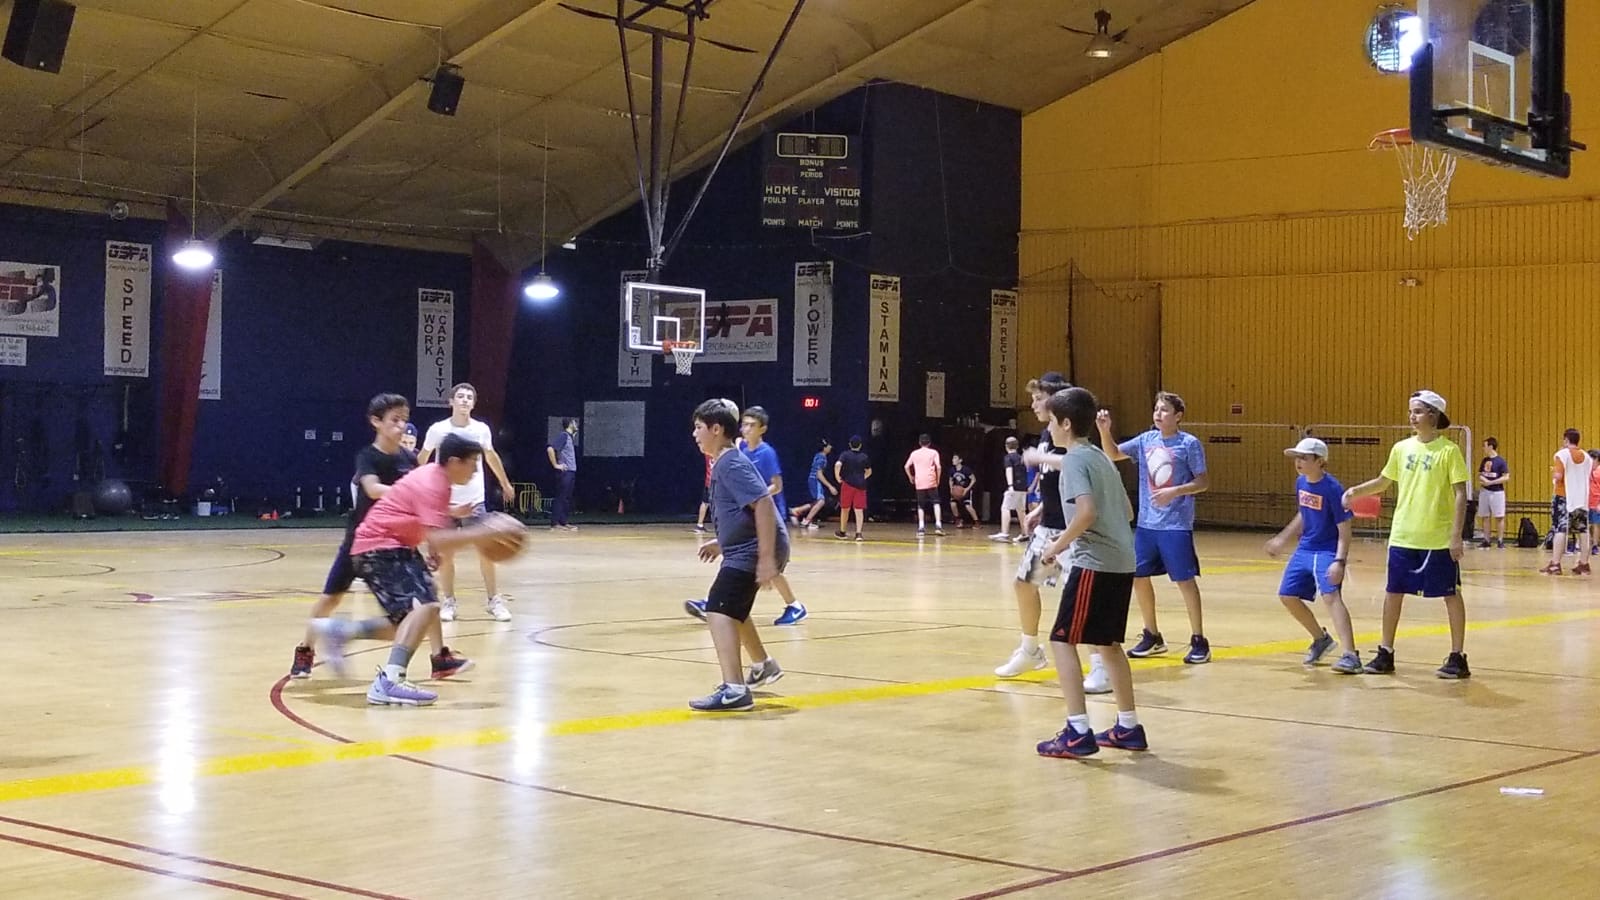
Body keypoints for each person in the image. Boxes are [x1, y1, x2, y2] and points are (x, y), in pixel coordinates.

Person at [317, 434, 523, 706]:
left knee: (411, 621)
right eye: (473, 463)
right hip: (378, 546)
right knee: (425, 608)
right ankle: (389, 680)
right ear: (454, 462)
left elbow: (433, 527)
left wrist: (435, 551)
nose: (476, 471)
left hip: (395, 545)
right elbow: (439, 536)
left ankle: (344, 632)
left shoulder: (440, 481)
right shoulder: (432, 482)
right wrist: (483, 533)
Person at [290, 394, 470, 681]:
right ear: (376, 422)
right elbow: (373, 490)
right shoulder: (369, 456)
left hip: (397, 540)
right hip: (364, 542)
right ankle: (306, 649)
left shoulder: (409, 460)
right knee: (330, 599)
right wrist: (408, 495)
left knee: (427, 596)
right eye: (394, 420)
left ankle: (440, 657)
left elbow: (423, 503)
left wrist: (441, 521)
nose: (401, 426)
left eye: (404, 421)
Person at [1033, 387, 1146, 758]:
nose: (1049, 427)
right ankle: (1128, 726)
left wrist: (1056, 546)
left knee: (1061, 639)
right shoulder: (1099, 457)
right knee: (1107, 643)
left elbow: (1086, 513)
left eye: (1052, 421)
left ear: (1065, 423)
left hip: (1095, 563)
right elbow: (1127, 511)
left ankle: (1078, 731)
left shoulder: (1076, 461)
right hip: (1122, 561)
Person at [1342, 390, 1470, 678]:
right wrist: (1355, 491)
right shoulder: (1401, 448)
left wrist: (1456, 535)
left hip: (1437, 538)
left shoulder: (1449, 451)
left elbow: (1461, 494)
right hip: (1403, 535)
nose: (1412, 416)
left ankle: (1457, 656)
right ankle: (1385, 652)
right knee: (1393, 592)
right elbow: (1383, 481)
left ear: (1434, 415)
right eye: (1411, 411)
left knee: (1450, 594)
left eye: (1418, 411)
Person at [1000, 373, 1109, 696]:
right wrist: (1041, 509)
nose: (1033, 405)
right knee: (1023, 584)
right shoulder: (1048, 433)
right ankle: (1030, 649)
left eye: (1038, 398)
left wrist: (1040, 457)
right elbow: (1054, 480)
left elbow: (1077, 462)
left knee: (1079, 599)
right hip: (1049, 526)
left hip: (1075, 532)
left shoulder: (1069, 432)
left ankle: (1100, 665)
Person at [686, 399, 787, 711]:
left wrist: (766, 558)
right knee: (734, 609)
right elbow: (741, 512)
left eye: (699, 427)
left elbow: (764, 504)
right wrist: (722, 542)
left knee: (718, 609)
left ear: (716, 429)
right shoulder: (725, 461)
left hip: (752, 551)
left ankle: (734, 690)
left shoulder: (731, 463)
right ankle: (763, 666)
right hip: (745, 548)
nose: (694, 434)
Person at [1097, 392, 1213, 665]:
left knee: (1184, 581)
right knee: (1138, 577)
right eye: (1156, 409)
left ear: (1178, 416)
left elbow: (1203, 482)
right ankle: (1152, 635)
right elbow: (1113, 453)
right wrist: (1105, 431)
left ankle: (1199, 639)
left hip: (1175, 525)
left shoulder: (1188, 444)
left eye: (1164, 410)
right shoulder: (1146, 440)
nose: (1158, 414)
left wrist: (1175, 491)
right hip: (1147, 524)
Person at [686, 406, 807, 625]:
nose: (746, 429)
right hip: (750, 521)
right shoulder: (739, 452)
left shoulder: (764, 453)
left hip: (767, 518)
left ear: (763, 429)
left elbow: (775, 487)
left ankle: (793, 605)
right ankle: (719, 603)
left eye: (752, 425)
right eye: (744, 424)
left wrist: (755, 495)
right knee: (741, 579)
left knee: (762, 568)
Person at [419, 382, 515, 623]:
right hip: (445, 502)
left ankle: (494, 600)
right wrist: (415, 485)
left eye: (469, 397)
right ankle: (449, 601)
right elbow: (423, 458)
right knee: (446, 555)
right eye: (460, 396)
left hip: (475, 502)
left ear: (473, 404)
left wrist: (505, 483)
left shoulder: (481, 429)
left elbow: (491, 456)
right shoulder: (438, 430)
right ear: (451, 401)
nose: (464, 400)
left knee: (487, 552)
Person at [1264, 438, 1361, 674]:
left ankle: (1351, 654)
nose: (1298, 462)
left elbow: (1344, 528)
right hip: (1305, 548)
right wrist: (1283, 538)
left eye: (1304, 458)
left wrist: (1339, 561)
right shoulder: (1301, 482)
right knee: (1287, 595)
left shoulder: (1333, 489)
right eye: (1297, 458)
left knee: (1331, 596)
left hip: (1326, 550)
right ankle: (1321, 639)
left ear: (1320, 461)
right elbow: (1303, 513)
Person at [1542, 429, 1593, 576]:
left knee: (1560, 529)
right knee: (1583, 530)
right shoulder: (1587, 457)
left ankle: (1555, 564)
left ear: (1566, 440)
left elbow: (1558, 476)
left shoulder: (1562, 454)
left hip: (1564, 496)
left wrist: (1554, 471)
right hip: (1581, 498)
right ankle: (1584, 564)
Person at [790, 438, 837, 529]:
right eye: (829, 446)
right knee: (821, 501)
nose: (830, 447)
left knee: (816, 502)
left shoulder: (818, 455)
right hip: (815, 480)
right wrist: (830, 486)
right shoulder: (822, 457)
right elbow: (819, 474)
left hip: (812, 479)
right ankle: (806, 521)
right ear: (824, 448)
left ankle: (797, 510)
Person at [904, 434, 944, 536]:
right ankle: (938, 526)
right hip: (931, 480)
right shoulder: (934, 452)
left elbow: (906, 466)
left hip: (919, 482)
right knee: (936, 502)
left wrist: (910, 477)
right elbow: (939, 467)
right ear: (929, 443)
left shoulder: (914, 453)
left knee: (921, 505)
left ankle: (921, 527)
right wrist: (938, 479)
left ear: (919, 443)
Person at [990, 436, 1028, 542]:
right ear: (1017, 446)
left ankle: (1004, 533)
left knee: (1005, 508)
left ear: (1006, 446)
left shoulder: (1008, 458)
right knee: (1021, 510)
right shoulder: (1021, 457)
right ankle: (1025, 533)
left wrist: (1010, 485)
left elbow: (1009, 471)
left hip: (1014, 487)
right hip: (1023, 487)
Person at [835, 435, 872, 541]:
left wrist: (837, 477)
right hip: (861, 485)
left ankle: (842, 532)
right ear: (860, 445)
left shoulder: (845, 455)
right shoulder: (864, 457)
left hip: (847, 484)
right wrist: (862, 477)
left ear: (849, 444)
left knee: (845, 508)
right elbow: (869, 471)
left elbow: (837, 464)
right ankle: (858, 534)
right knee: (859, 510)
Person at [546, 417, 579, 531]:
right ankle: (555, 523)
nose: (576, 424)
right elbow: (550, 449)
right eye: (574, 423)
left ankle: (563, 522)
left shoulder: (569, 437)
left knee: (566, 497)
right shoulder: (564, 436)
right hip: (565, 472)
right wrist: (556, 465)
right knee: (561, 496)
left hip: (571, 471)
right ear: (570, 424)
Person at [1475, 438, 1509, 548]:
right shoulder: (1484, 460)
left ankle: (1500, 540)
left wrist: (1491, 482)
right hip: (1485, 491)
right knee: (1485, 516)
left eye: (1485, 446)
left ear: (1490, 447)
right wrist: (1484, 480)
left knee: (1499, 516)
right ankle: (1486, 540)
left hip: (1497, 492)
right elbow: (1480, 474)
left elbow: (1506, 477)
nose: (1483, 448)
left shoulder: (1500, 461)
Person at [948, 454, 978, 529]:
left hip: (965, 490)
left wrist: (967, 489)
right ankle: (958, 520)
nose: (953, 460)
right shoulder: (952, 470)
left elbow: (973, 479)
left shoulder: (966, 469)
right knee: (952, 504)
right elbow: (950, 480)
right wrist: (951, 489)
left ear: (960, 460)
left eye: (955, 458)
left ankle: (977, 522)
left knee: (968, 506)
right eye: (953, 458)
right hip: (956, 490)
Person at [694, 452, 712, 533]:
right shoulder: (721, 455)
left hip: (709, 481)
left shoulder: (708, 453)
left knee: (705, 503)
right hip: (717, 481)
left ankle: (699, 525)